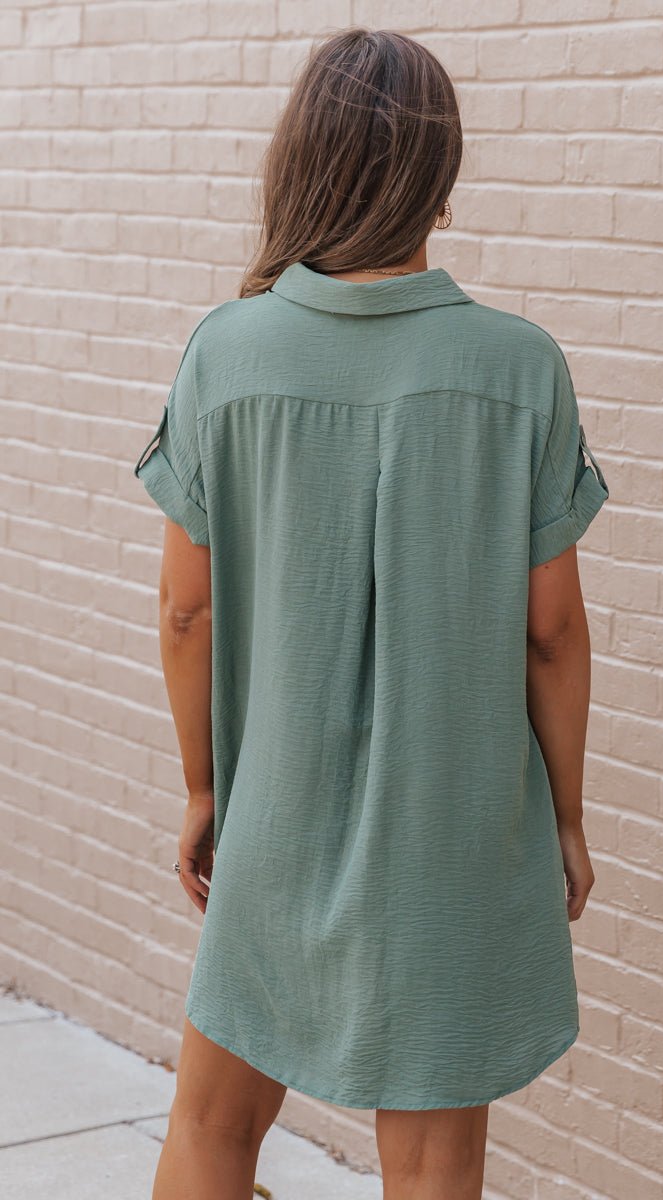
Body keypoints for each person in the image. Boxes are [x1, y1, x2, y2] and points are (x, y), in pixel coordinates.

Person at [134, 26, 609, 1200]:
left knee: (210, 1128)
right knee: (436, 1163)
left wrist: (205, 790)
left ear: (299, 165)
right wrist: (562, 814)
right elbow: (549, 631)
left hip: (276, 818)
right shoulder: (518, 368)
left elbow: (185, 614)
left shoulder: (224, 355)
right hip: (454, 834)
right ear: (437, 184)